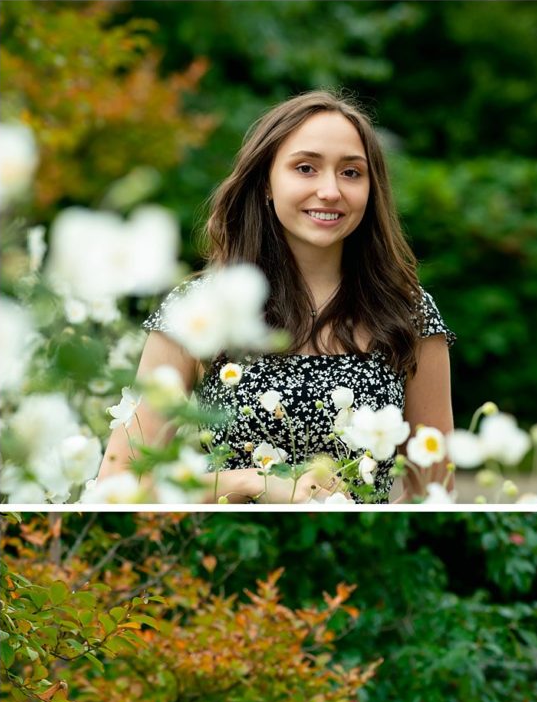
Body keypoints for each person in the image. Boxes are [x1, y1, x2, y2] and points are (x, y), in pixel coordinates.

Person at [94, 92, 454, 503]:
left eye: (351, 173)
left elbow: (434, 493)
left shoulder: (408, 312)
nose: (330, 191)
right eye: (305, 168)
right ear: (266, 181)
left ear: (372, 189)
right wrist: (251, 483)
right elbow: (118, 484)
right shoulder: (200, 311)